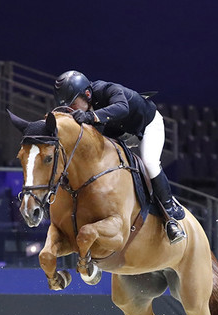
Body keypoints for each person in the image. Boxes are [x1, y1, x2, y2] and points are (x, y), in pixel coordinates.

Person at [53, 70, 185, 244]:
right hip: (120, 134)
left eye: (74, 105)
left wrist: (91, 116)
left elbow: (122, 108)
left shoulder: (107, 89)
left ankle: (170, 215)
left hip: (147, 126)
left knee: (150, 162)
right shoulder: (82, 108)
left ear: (87, 94)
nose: (72, 110)